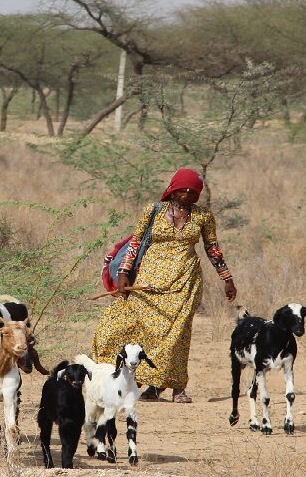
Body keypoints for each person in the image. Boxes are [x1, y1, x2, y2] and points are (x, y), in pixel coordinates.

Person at [92, 168, 236, 403]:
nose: (187, 195)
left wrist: (227, 279)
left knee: (177, 334)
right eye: (183, 190)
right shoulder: (153, 211)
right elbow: (136, 244)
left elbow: (213, 249)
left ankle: (177, 387)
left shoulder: (203, 216)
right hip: (149, 281)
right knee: (125, 325)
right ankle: (141, 381)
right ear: (173, 189)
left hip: (185, 281)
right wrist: (123, 274)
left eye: (192, 192)